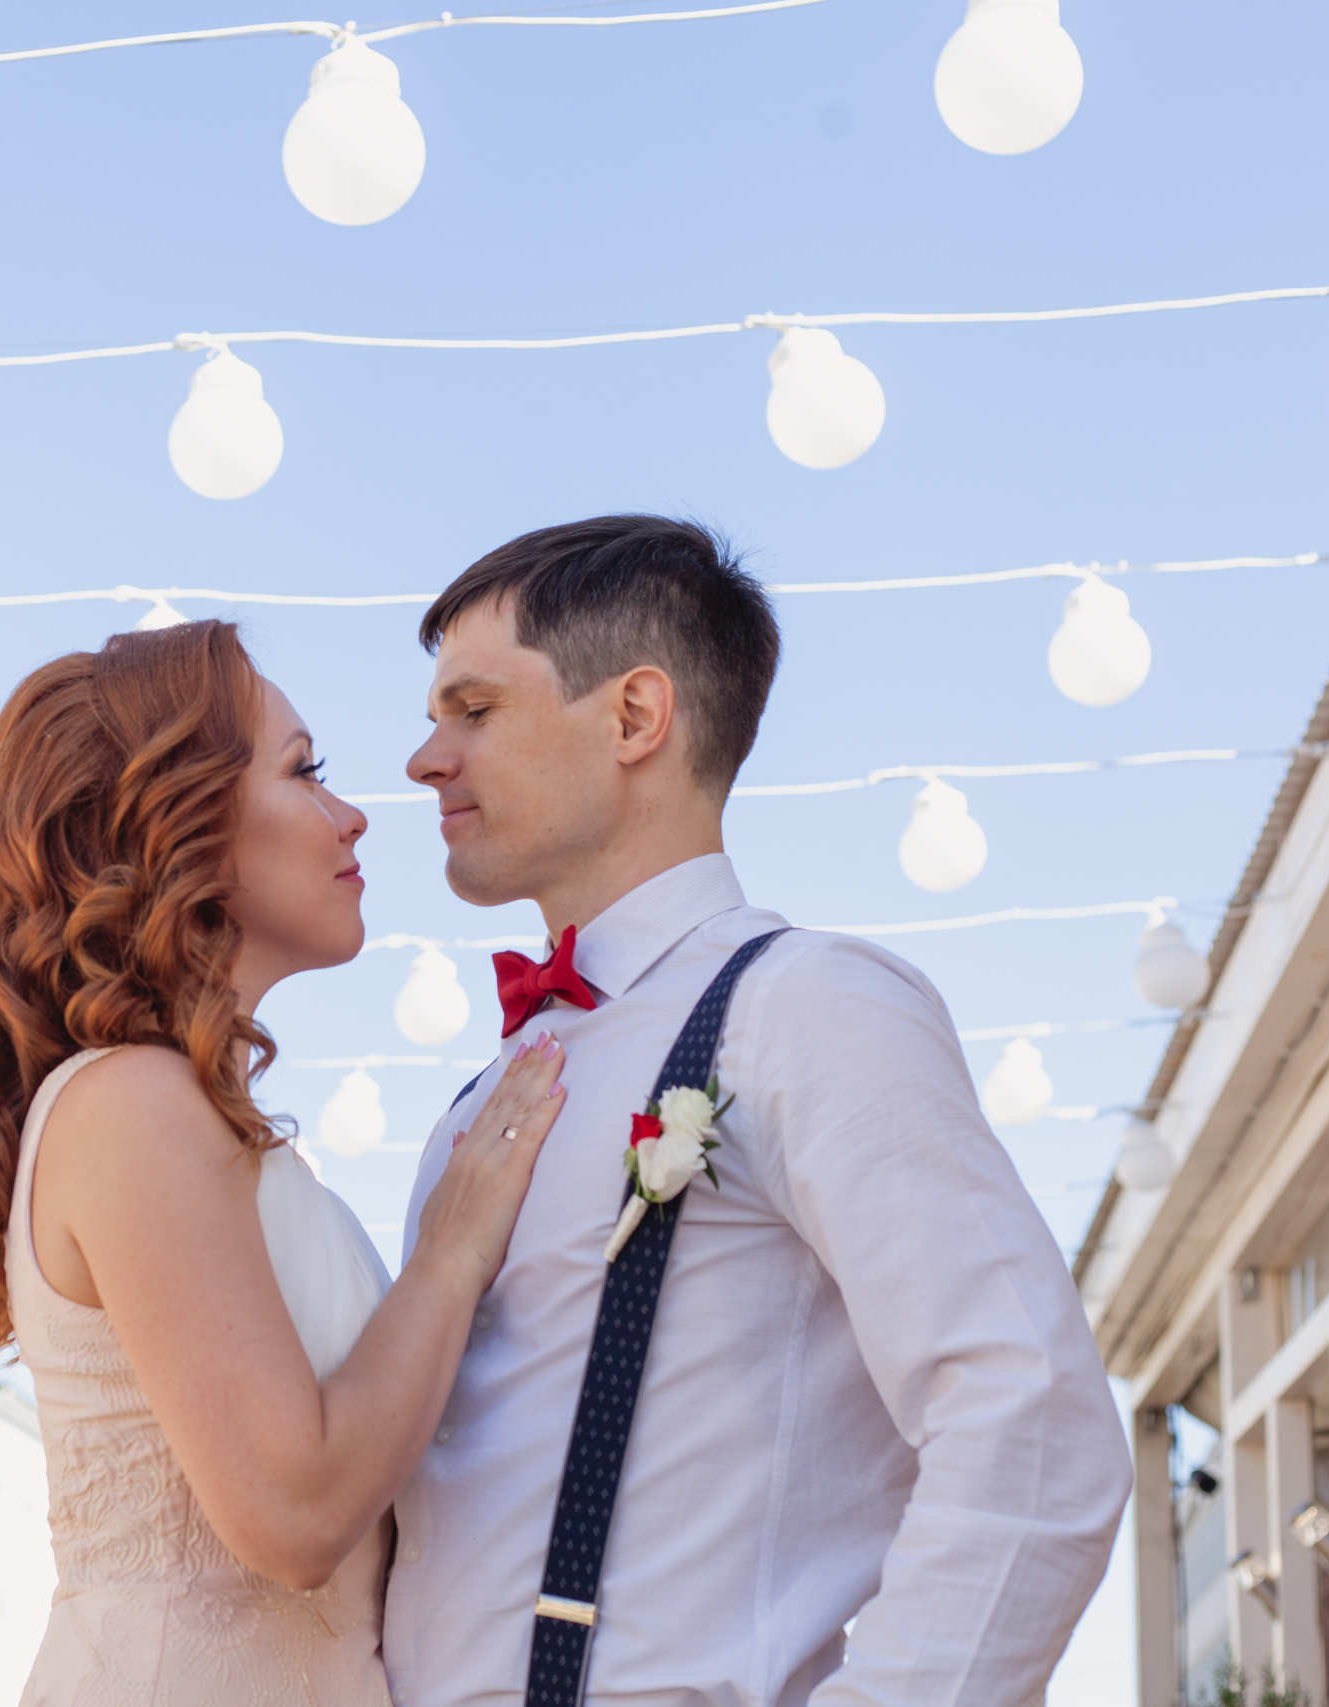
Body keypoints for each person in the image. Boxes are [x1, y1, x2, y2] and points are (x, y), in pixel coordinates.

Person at [387, 515, 1132, 1706]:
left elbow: (1032, 1428)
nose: (425, 759)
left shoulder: (805, 1007)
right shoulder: (478, 1099)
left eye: (472, 712)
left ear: (634, 717)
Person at [0, 620, 572, 1707]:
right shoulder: (130, 1103)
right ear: (177, 823)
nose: (351, 814)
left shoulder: (180, 1116)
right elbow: (294, 1516)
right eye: (306, 772)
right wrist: (451, 1254)